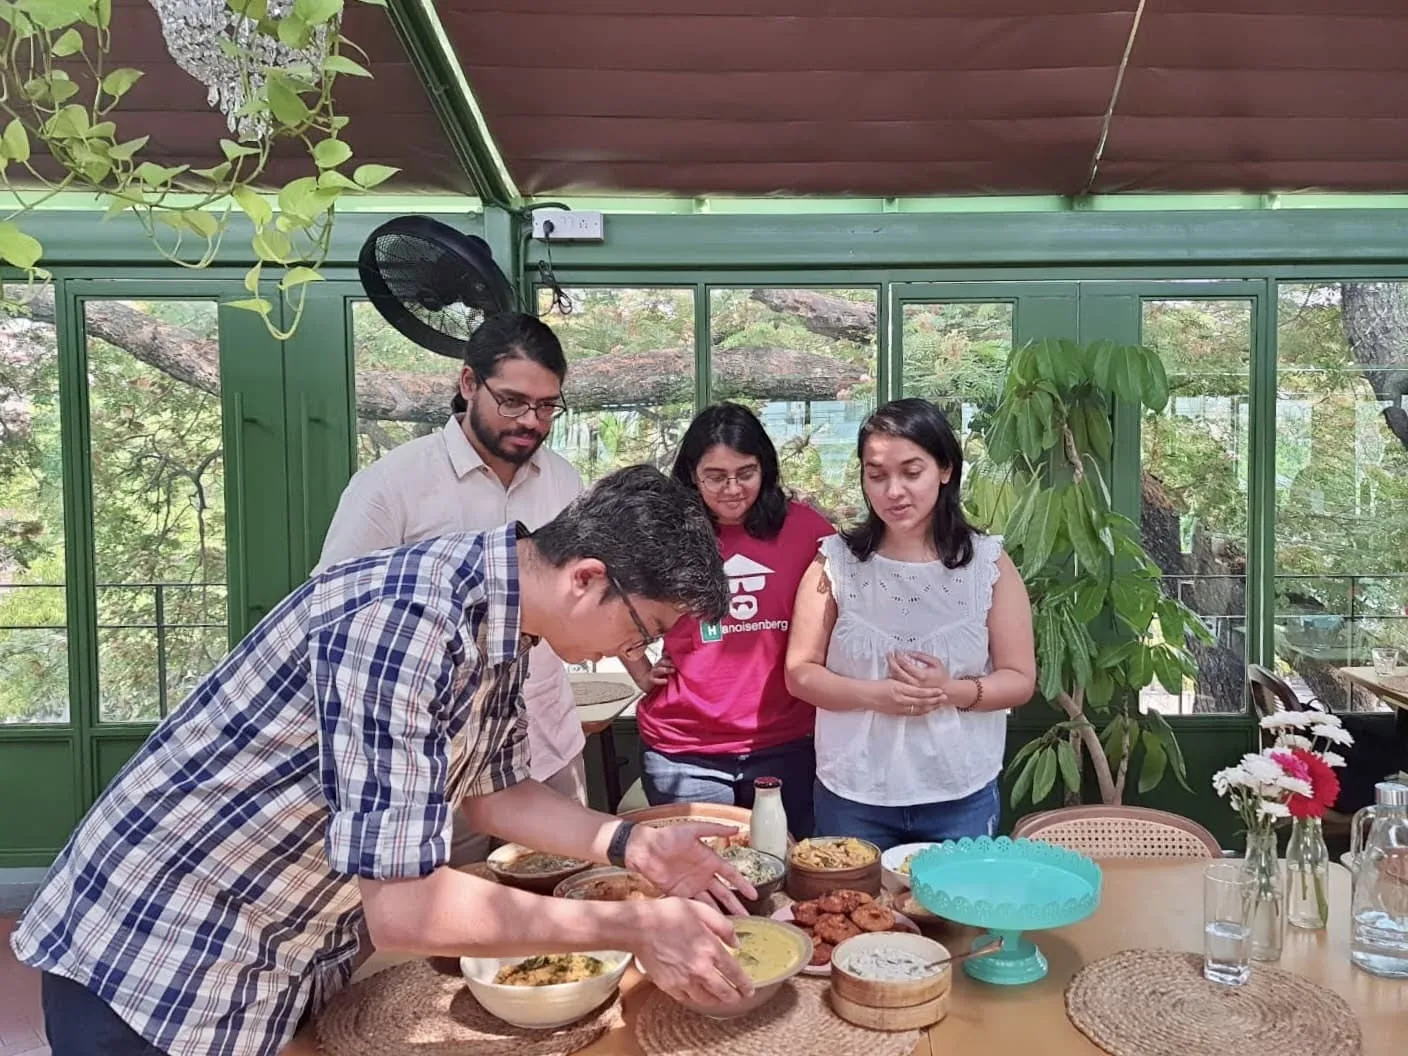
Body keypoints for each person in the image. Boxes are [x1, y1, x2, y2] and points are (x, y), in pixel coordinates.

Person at [11, 466, 758, 1056]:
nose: (639, 650)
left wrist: (634, 845)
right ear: (587, 578)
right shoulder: (407, 623)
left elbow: (495, 792)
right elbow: (406, 908)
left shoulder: (503, 617)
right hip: (159, 957)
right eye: (644, 627)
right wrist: (634, 926)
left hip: (274, 951)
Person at [317, 312, 589, 865]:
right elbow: (332, 617)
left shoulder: (564, 480)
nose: (531, 421)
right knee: (455, 899)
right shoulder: (392, 485)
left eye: (546, 406)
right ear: (468, 383)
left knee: (572, 885)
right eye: (512, 401)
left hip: (547, 738)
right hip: (434, 753)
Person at [785, 398, 1036, 848]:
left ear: (945, 469)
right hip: (853, 792)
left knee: (955, 895)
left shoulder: (988, 565)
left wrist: (950, 691)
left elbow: (1019, 679)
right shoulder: (835, 563)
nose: (893, 491)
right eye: (877, 475)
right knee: (851, 895)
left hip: (960, 792)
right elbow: (799, 672)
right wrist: (875, 695)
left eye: (911, 472)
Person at [627, 403, 834, 837]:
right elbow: (609, 599)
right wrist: (639, 665)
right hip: (685, 751)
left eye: (746, 473)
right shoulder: (665, 535)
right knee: (702, 872)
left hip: (789, 744)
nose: (733, 489)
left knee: (788, 867)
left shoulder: (805, 529)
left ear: (765, 468)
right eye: (715, 476)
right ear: (692, 475)